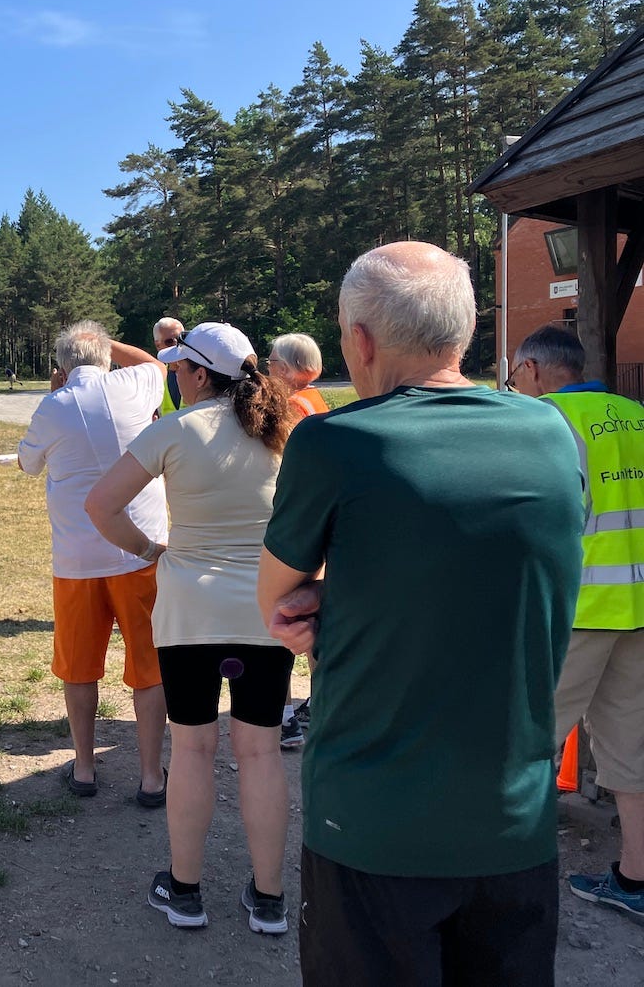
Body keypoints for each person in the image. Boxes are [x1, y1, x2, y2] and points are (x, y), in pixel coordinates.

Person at [257, 242, 583, 985]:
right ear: (463, 335)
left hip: (373, 823)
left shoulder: (335, 442)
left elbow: (276, 600)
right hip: (514, 822)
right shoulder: (551, 435)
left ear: (360, 341)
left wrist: (324, 596)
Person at [87, 321, 295, 935]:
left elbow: (101, 504)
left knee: (194, 749)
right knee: (259, 753)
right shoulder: (284, 433)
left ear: (200, 374)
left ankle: (185, 891)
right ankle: (269, 899)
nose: (173, 377)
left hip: (189, 616)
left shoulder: (174, 431)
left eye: (178, 369)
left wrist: (148, 549)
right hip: (263, 612)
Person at [511, 323, 644, 922]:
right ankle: (635, 880)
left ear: (535, 370)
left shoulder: (546, 425)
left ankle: (505, 878)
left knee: (525, 745)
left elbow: (529, 525)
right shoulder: (635, 415)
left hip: (577, 611)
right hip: (639, 611)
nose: (515, 387)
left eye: (515, 376)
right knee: (632, 756)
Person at [17, 321, 168, 808]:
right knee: (149, 667)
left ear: (61, 368)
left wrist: (58, 389)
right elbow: (151, 361)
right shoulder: (133, 381)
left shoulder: (52, 406)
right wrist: (108, 345)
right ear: (106, 358)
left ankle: (84, 767)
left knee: (80, 667)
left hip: (79, 557)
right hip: (140, 549)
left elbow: (27, 463)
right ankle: (150, 776)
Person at [265, 332, 329, 750]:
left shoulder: (289, 407)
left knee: (283, 617)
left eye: (271, 363)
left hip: (296, 524)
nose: (267, 370)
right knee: (314, 621)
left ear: (286, 371)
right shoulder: (319, 402)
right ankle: (320, 705)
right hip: (322, 524)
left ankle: (285, 720)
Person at [152, 317, 185, 417]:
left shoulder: (199, 373)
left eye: (181, 339)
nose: (176, 344)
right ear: (158, 345)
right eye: (170, 341)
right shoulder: (156, 379)